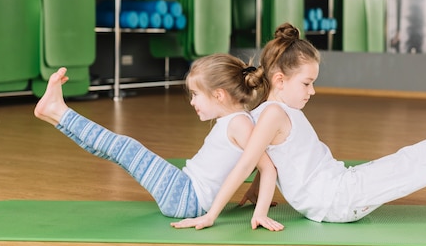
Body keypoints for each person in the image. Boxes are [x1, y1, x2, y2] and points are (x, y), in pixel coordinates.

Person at [172, 23, 426, 228]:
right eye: (307, 83)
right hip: (337, 200)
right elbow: (245, 164)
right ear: (279, 80)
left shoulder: (273, 113)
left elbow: (265, 163)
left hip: (341, 186)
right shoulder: (272, 114)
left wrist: (256, 200)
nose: (312, 91)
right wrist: (210, 216)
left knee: (418, 157)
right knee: (423, 159)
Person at [34, 53, 284, 231]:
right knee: (119, 152)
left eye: (196, 94)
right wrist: (254, 191)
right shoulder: (241, 121)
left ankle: (59, 112)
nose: (192, 102)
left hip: (186, 197)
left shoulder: (240, 124)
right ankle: (55, 115)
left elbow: (268, 166)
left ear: (218, 95)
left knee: (125, 149)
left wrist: (256, 212)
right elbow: (261, 161)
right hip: (185, 192)